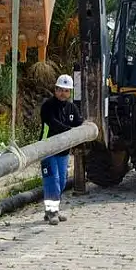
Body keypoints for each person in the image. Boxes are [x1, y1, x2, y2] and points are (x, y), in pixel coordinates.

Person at [39, 74, 83, 225]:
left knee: (62, 181)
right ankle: (52, 213)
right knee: (53, 181)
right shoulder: (47, 106)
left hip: (63, 151)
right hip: (47, 149)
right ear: (55, 89)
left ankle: (52, 209)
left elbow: (78, 123)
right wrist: (70, 131)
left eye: (66, 90)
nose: (63, 93)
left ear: (70, 92)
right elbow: (52, 123)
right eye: (60, 90)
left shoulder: (72, 108)